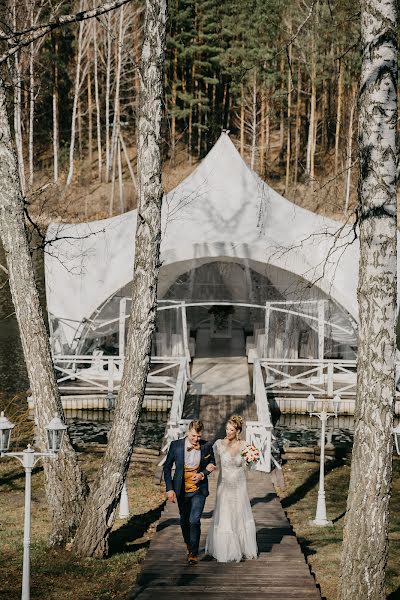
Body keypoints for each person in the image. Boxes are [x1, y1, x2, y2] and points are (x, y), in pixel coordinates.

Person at [205, 415, 258, 562]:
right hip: (224, 485)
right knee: (225, 515)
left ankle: (241, 548)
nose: (228, 432)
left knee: (239, 514)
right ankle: (226, 550)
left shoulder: (245, 446)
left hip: (239, 485)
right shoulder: (219, 444)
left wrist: (251, 460)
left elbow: (251, 466)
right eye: (227, 429)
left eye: (231, 430)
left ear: (238, 430)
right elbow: (212, 461)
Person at [163, 420, 216, 565]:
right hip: (181, 489)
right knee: (184, 520)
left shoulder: (206, 446)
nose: (196, 439)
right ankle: (188, 543)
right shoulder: (176, 446)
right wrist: (169, 488)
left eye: (198, 436)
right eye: (193, 436)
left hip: (199, 489)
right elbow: (167, 467)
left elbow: (212, 463)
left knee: (194, 520)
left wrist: (202, 474)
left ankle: (193, 553)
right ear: (188, 432)